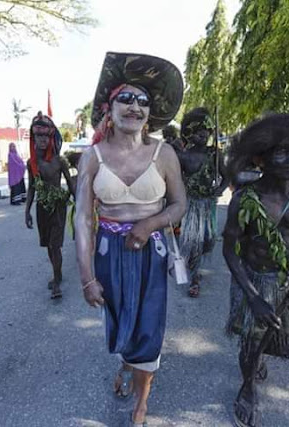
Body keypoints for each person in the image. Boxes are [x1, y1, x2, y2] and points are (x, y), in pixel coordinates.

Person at [75, 52, 186, 426]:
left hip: (149, 255)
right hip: (109, 254)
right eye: (126, 98)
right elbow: (82, 219)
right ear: (110, 106)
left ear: (150, 113)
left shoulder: (164, 153)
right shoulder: (91, 157)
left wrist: (150, 223)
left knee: (149, 329)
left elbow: (179, 204)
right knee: (122, 320)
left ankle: (141, 404)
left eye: (143, 101)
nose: (134, 107)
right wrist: (87, 277)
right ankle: (126, 363)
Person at [222, 113, 289, 427]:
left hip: (288, 278)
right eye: (282, 151)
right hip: (253, 277)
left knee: (280, 337)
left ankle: (259, 359)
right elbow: (230, 249)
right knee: (251, 340)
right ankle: (248, 388)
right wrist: (252, 297)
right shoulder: (245, 199)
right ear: (259, 158)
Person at [176, 107, 228, 297]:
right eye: (198, 133)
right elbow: (175, 181)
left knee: (209, 239)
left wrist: (220, 189)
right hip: (190, 204)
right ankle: (195, 277)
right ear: (190, 135)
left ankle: (195, 266)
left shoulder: (215, 155)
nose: (203, 136)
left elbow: (227, 176)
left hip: (208, 204)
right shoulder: (183, 156)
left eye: (206, 132)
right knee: (193, 240)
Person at [25, 112, 75, 299]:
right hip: (41, 208)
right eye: (39, 136)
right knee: (48, 245)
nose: (43, 140)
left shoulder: (59, 161)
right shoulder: (32, 163)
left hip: (58, 208)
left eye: (46, 136)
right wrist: (27, 212)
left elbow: (71, 184)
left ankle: (56, 284)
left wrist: (73, 201)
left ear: (51, 138)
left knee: (55, 246)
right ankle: (58, 274)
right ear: (34, 138)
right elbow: (31, 188)